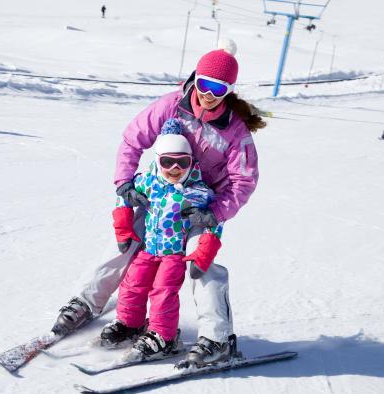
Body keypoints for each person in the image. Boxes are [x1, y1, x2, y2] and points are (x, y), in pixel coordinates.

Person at [52, 41, 266, 367]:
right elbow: (133, 138)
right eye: (204, 84)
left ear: (229, 90)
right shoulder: (171, 106)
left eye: (218, 88)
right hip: (160, 196)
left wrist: (214, 212)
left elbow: (244, 180)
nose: (209, 94)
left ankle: (217, 338)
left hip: (200, 206)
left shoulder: (234, 131)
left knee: (201, 264)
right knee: (125, 243)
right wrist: (125, 182)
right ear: (195, 78)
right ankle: (87, 302)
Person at [102, 118, 223, 359]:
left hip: (174, 254)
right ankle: (130, 324)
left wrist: (205, 248)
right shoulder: (147, 182)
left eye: (182, 162)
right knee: (132, 284)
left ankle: (164, 336)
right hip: (148, 249)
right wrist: (123, 225)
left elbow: (213, 220)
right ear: (158, 161)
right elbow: (123, 195)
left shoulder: (196, 191)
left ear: (191, 162)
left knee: (163, 291)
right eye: (168, 162)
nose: (175, 169)